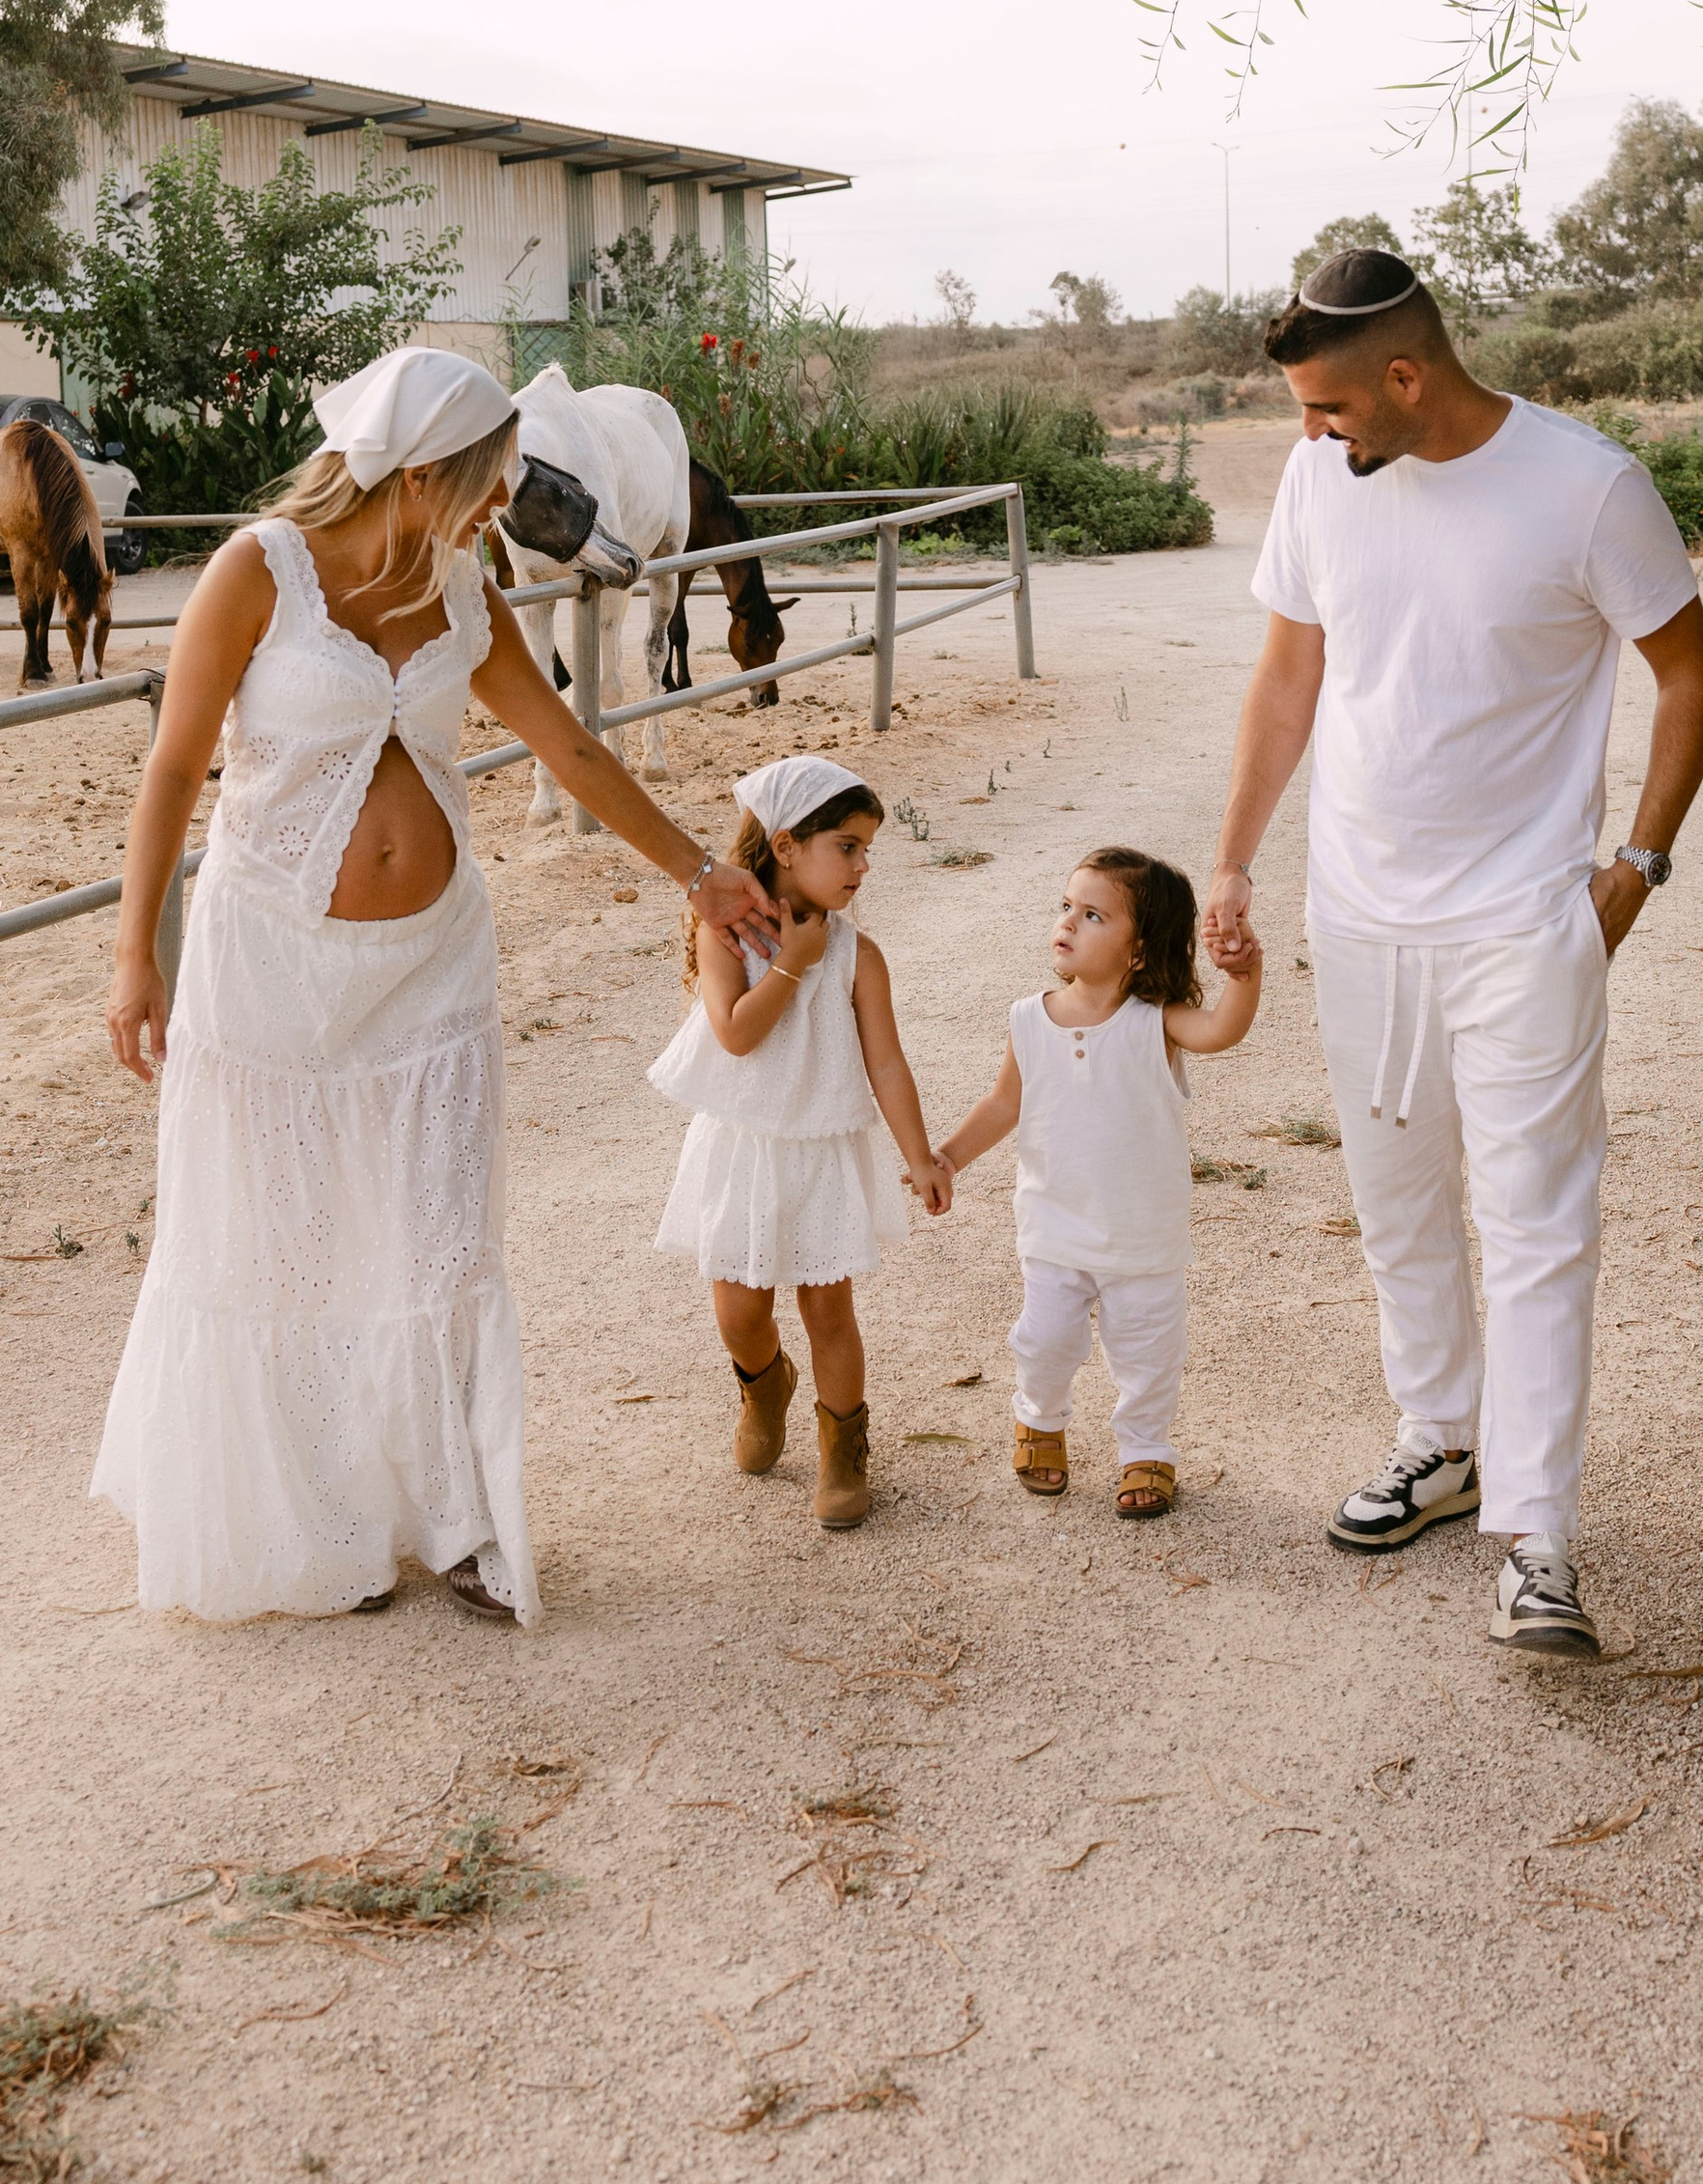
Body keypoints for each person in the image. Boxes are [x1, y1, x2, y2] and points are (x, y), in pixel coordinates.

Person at [95, 346, 779, 1630]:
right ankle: (323, 1527)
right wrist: (138, 952)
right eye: (489, 479)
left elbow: (568, 745)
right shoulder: (258, 571)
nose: (505, 503)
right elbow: (174, 768)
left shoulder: (466, 587)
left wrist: (699, 873)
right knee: (287, 1239)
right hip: (270, 964)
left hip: (433, 970)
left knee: (441, 1236)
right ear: (418, 474)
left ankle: (459, 1517)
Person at [1206, 250, 1703, 1661]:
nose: (1313, 434)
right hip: (1361, 918)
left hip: (1523, 924)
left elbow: (1689, 672)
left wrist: (1636, 868)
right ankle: (1441, 1441)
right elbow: (1290, 673)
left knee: (1538, 1221)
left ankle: (1538, 1540)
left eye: (1328, 407)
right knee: (1397, 1206)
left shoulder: (1586, 486)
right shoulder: (1320, 478)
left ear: (1404, 376)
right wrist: (1235, 858)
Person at [648, 756, 949, 1531]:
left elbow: (887, 1062)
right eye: (847, 846)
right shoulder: (726, 936)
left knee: (829, 1309)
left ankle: (843, 1447)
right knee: (740, 1313)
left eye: (866, 849)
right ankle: (764, 1385)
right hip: (743, 1148)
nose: (862, 865)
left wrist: (920, 1157)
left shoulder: (858, 955)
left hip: (822, 1149)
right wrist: (790, 962)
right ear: (785, 846)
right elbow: (736, 1035)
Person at [937, 848, 1262, 1520]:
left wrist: (1245, 976)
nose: (1067, 921)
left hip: (1143, 1237)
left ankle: (1146, 1447)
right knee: (1044, 1340)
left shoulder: (1157, 1021)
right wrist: (948, 1158)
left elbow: (1220, 1031)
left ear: (1138, 951)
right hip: (1054, 1225)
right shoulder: (1029, 1018)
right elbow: (1003, 1103)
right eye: (1067, 906)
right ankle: (1039, 1419)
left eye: (1092, 915)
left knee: (1149, 1353)